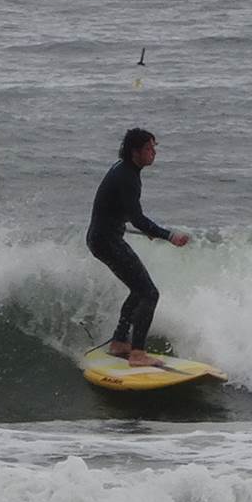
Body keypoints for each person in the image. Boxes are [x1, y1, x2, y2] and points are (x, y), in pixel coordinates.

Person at [87, 127, 189, 364]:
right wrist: (168, 236)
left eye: (154, 147)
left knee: (138, 289)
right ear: (135, 152)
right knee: (149, 293)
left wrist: (146, 230)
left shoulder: (125, 170)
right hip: (106, 240)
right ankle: (137, 353)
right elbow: (137, 218)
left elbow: (117, 210)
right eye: (148, 148)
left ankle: (119, 342)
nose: (154, 152)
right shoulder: (127, 177)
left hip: (102, 238)